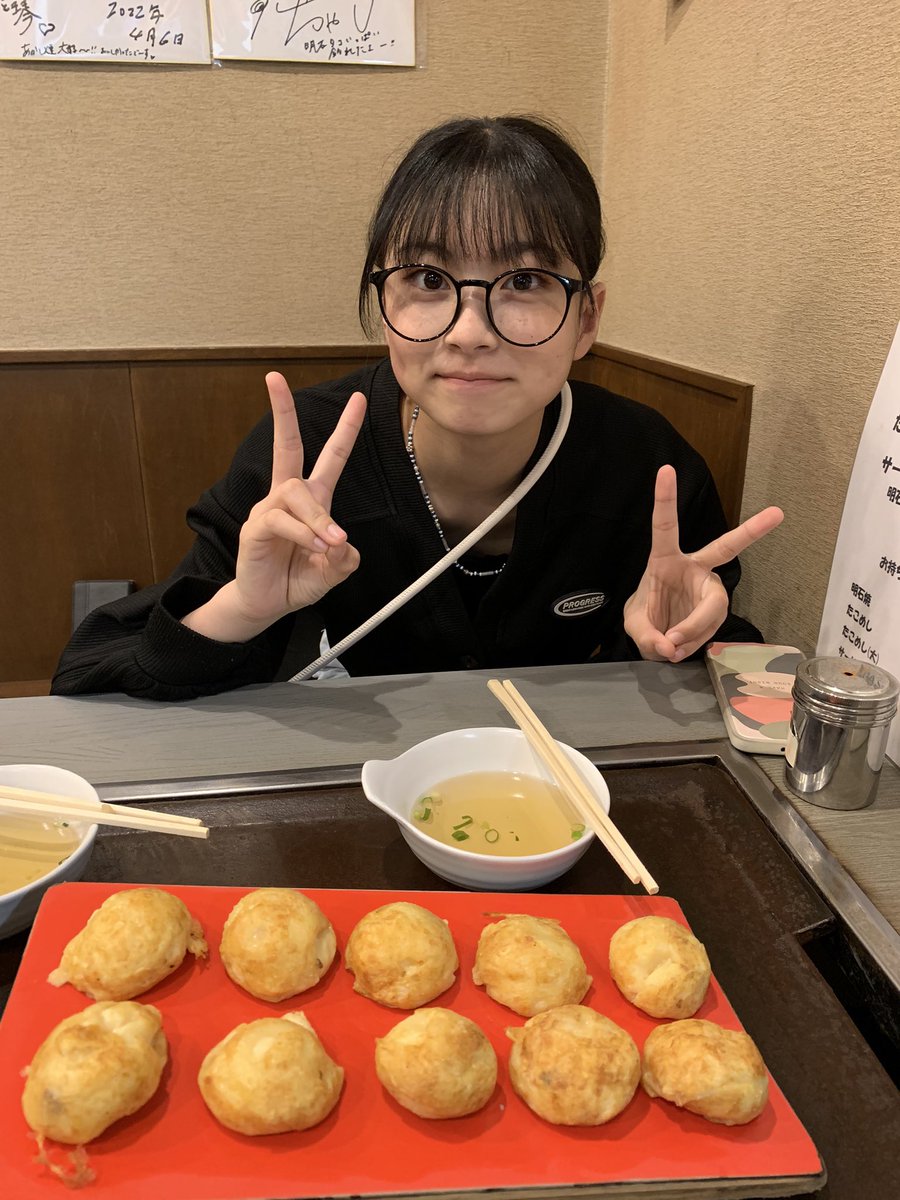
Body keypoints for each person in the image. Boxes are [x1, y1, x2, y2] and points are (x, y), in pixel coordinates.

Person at [52, 115, 783, 702]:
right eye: (429, 279)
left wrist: (672, 645)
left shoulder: (646, 465)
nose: (469, 332)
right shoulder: (306, 451)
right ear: (385, 305)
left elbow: (710, 665)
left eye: (525, 280)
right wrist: (246, 607)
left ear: (586, 319)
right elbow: (90, 675)